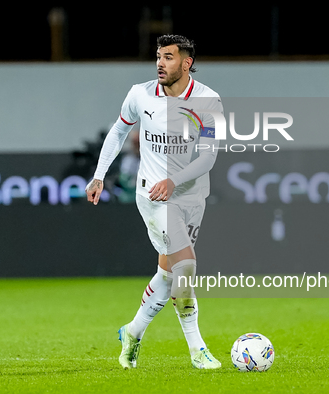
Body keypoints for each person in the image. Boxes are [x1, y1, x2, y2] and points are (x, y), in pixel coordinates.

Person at [85, 34, 223, 369]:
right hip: (154, 195)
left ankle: (132, 332)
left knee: (167, 273)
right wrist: (99, 175)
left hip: (190, 195)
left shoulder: (208, 101)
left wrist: (175, 180)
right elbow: (118, 131)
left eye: (169, 57)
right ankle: (197, 349)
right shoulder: (140, 94)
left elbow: (207, 158)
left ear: (186, 63)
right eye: (158, 57)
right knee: (186, 266)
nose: (160, 63)